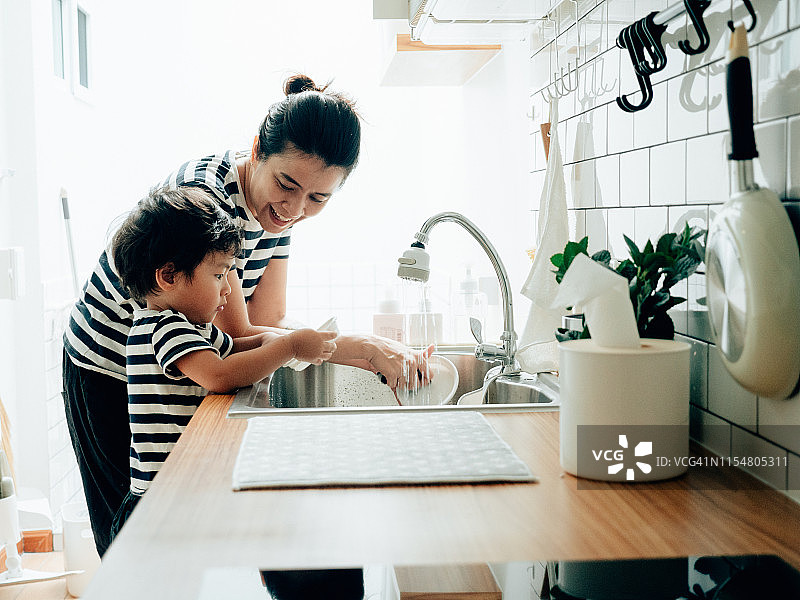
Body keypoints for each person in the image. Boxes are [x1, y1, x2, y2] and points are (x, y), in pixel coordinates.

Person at [63, 74, 431, 557]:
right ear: (257, 147)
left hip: (178, 368)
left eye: (318, 198)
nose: (295, 208)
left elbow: (268, 316)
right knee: (129, 552)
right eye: (288, 184)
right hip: (111, 367)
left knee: (166, 550)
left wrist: (358, 354)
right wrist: (357, 348)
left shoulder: (277, 212)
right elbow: (235, 332)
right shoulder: (211, 206)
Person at [108, 187, 337, 539]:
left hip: (179, 492)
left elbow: (231, 349)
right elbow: (219, 374)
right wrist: (288, 345)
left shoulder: (188, 326)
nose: (228, 291)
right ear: (168, 277)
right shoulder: (162, 327)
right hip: (162, 502)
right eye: (218, 276)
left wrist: (266, 340)